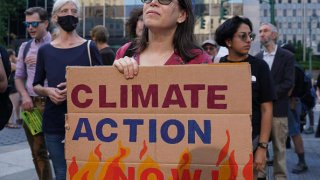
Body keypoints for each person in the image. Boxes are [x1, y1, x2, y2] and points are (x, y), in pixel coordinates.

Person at [33, 0, 102, 179]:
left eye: (73, 10)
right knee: (62, 172)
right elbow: (36, 85)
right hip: (54, 121)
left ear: (78, 17)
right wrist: (49, 92)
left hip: (86, 125)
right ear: (55, 17)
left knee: (87, 170)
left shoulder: (89, 47)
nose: (69, 14)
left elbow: (104, 83)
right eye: (64, 11)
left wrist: (77, 87)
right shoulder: (45, 51)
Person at [215, 16, 275, 179]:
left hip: (252, 142)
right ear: (228, 41)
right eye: (243, 36)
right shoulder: (217, 67)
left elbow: (267, 108)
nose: (249, 40)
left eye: (250, 36)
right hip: (223, 144)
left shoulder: (259, 66)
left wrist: (262, 148)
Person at [114, 0, 211, 79]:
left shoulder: (198, 59)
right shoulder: (125, 51)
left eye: (164, 0)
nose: (153, 2)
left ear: (181, 15)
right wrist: (113, 74)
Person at [14, 7, 53, 180]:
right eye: (27, 24)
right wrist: (24, 96)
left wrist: (42, 60)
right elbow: (19, 77)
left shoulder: (57, 43)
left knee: (61, 150)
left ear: (45, 23)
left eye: (34, 24)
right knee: (38, 152)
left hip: (54, 103)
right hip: (33, 106)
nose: (30, 28)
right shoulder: (25, 46)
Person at [256, 23, 295, 180]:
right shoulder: (258, 58)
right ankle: (261, 176)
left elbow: (288, 83)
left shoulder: (287, 56)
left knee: (280, 149)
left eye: (265, 31)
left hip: (278, 111)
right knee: (260, 147)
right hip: (261, 113)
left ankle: (280, 177)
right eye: (259, 32)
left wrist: (267, 94)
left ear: (274, 35)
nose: (261, 34)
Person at [281, 43, 308, 174]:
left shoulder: (292, 68)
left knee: (294, 132)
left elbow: (289, 88)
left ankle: (302, 162)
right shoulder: (297, 67)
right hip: (294, 102)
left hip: (289, 103)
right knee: (292, 131)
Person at [6, 49, 21, 128]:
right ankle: (10, 122)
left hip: (10, 86)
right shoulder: (11, 64)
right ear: (11, 56)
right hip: (13, 87)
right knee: (13, 106)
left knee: (14, 104)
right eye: (14, 55)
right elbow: (21, 69)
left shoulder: (6, 63)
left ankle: (16, 119)